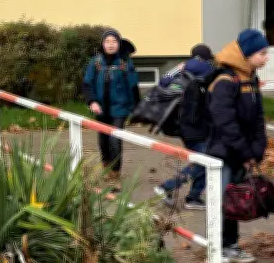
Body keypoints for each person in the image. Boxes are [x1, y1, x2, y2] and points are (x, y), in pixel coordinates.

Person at [206, 29, 270, 263]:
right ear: (248, 53)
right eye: (262, 53)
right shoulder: (225, 80)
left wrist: (257, 149)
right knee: (220, 201)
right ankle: (215, 248)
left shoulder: (250, 78)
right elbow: (225, 122)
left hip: (241, 154)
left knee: (234, 202)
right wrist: (245, 152)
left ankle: (231, 245)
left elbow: (258, 117)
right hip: (223, 154)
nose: (266, 57)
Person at [154, 44, 217, 210]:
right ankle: (167, 187)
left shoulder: (181, 67)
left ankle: (194, 197)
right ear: (207, 57)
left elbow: (164, 80)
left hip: (181, 124)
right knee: (204, 161)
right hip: (199, 124)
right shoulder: (208, 67)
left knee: (204, 159)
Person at [82, 29, 140, 186]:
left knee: (115, 140)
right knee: (103, 141)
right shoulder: (95, 62)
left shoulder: (124, 63)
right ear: (103, 44)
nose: (110, 44)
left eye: (114, 41)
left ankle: (115, 174)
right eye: (107, 41)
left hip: (119, 108)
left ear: (119, 44)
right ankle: (106, 168)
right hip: (100, 109)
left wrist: (137, 109)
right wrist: (92, 101)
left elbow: (133, 86)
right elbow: (87, 84)